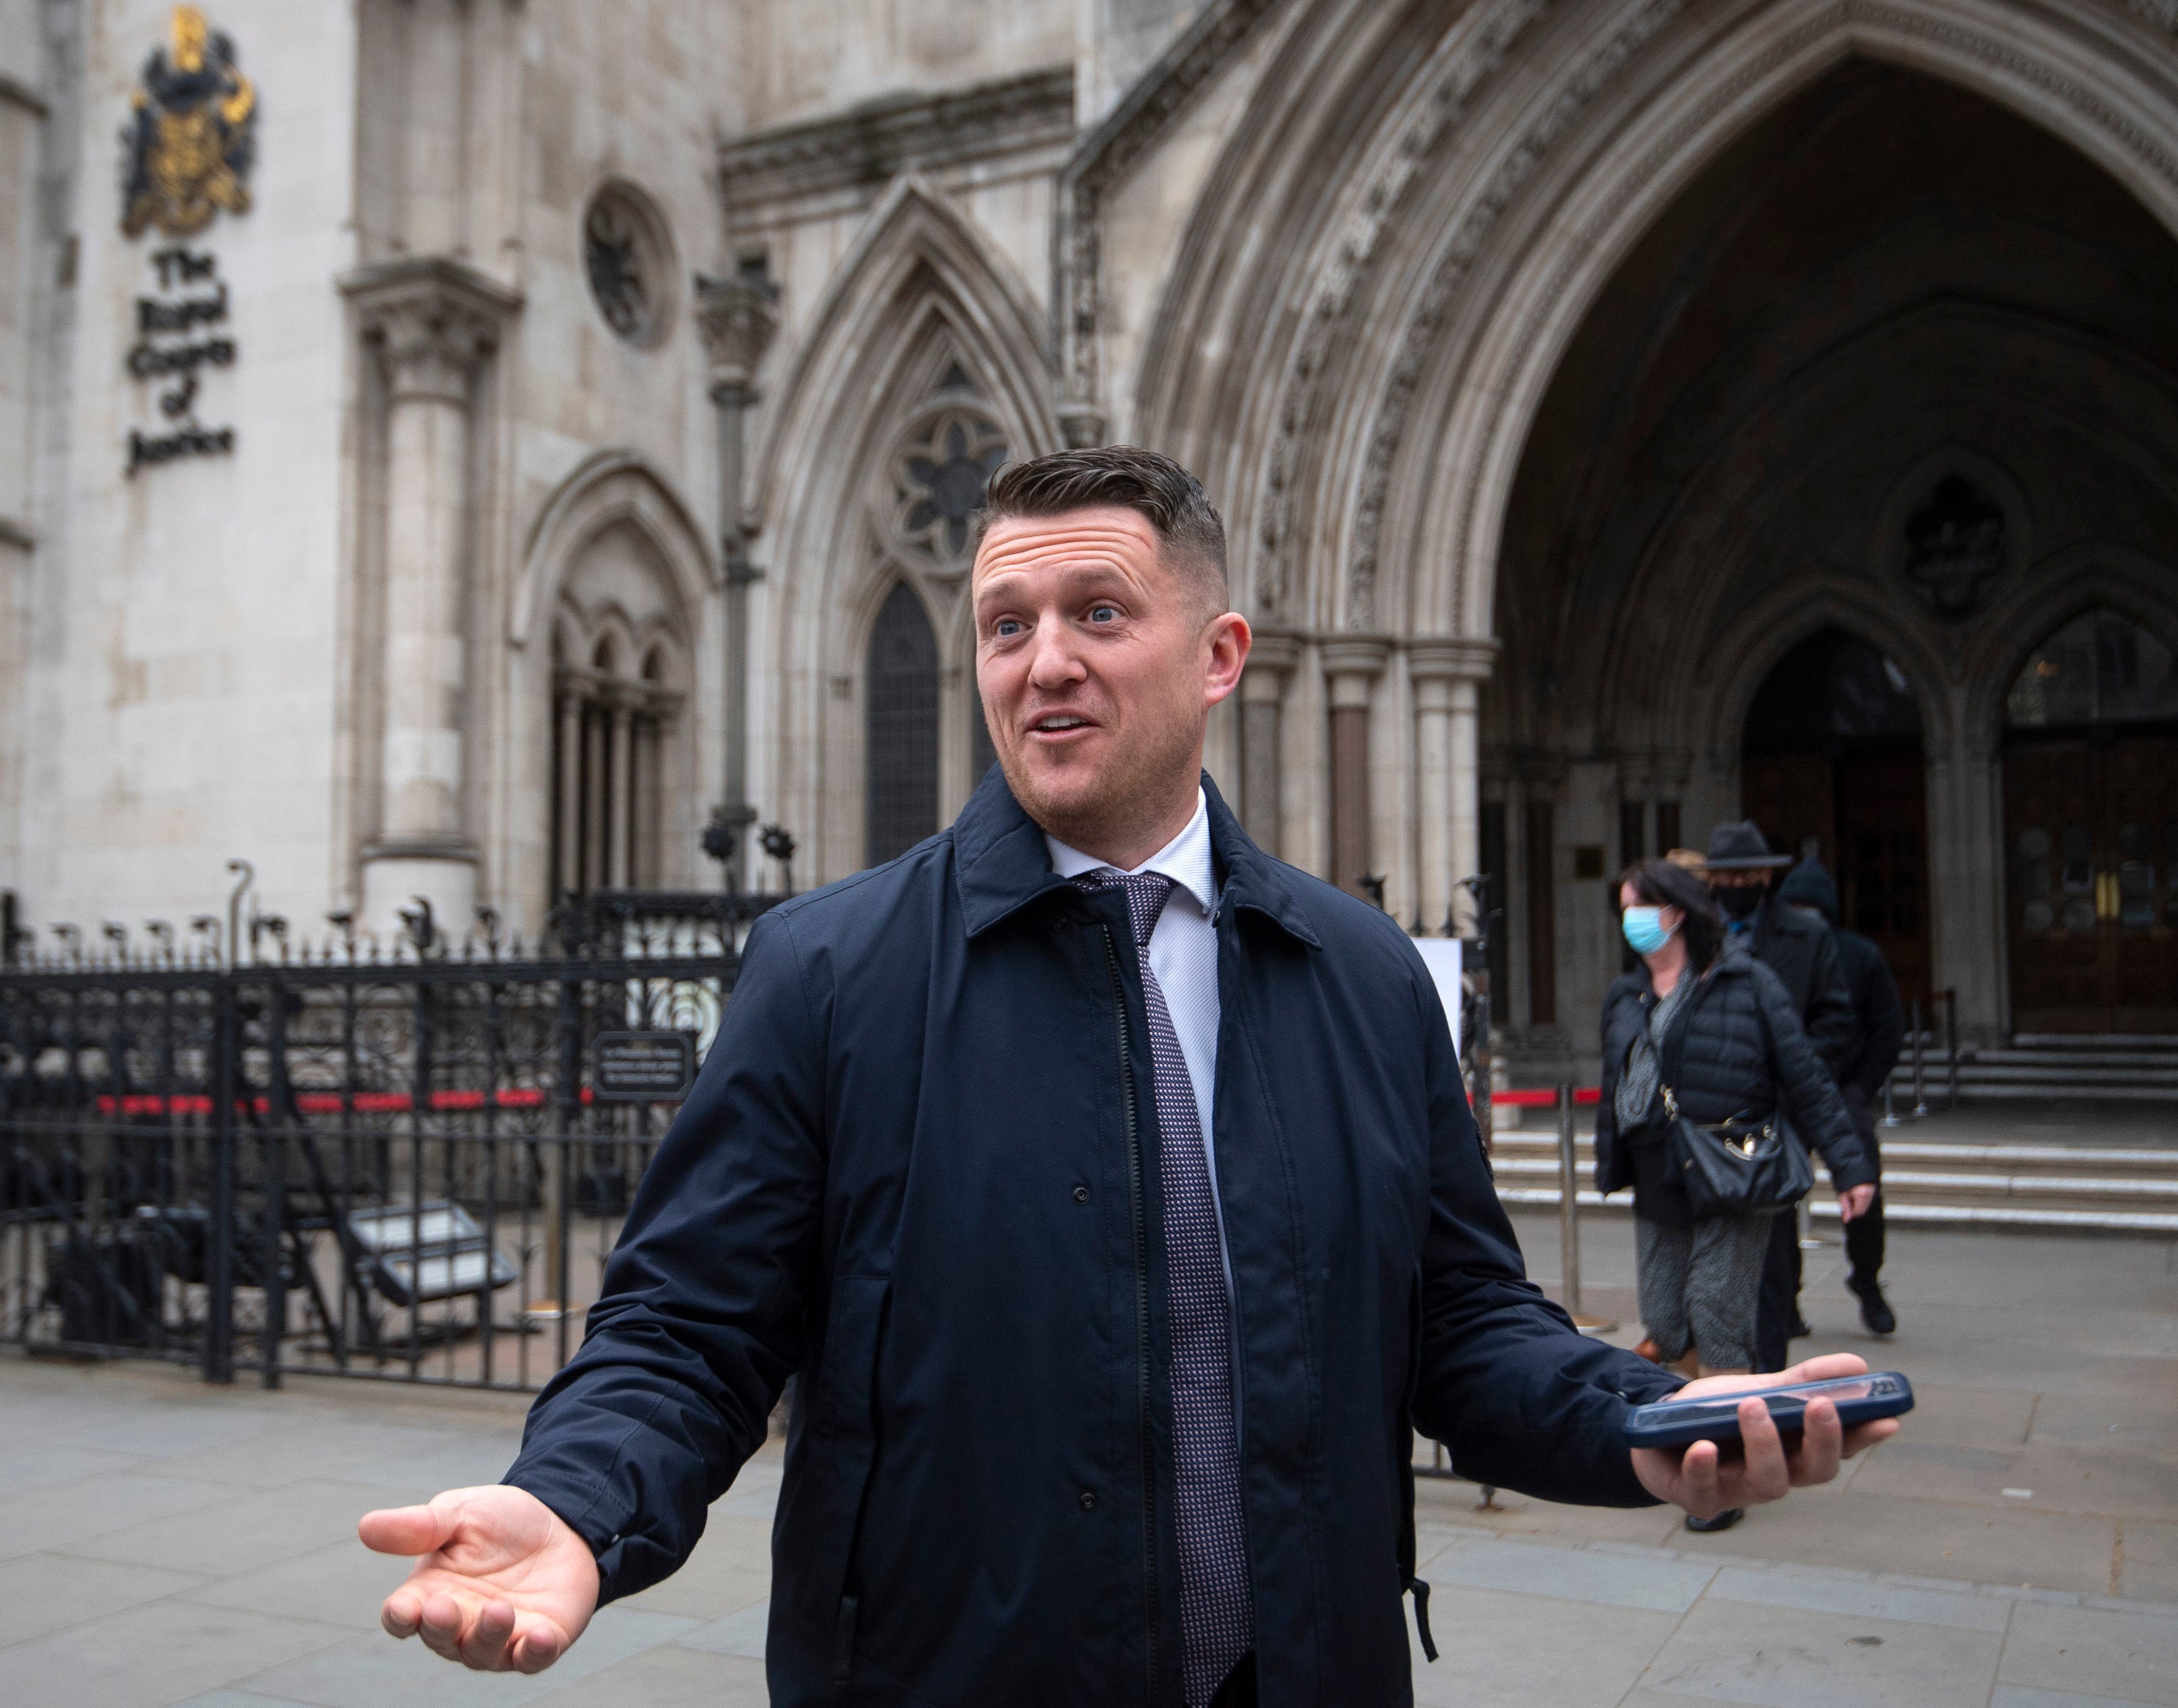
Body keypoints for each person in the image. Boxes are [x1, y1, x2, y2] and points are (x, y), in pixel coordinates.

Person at [359, 448, 1899, 1706]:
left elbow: (1457, 1323)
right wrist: (576, 1498)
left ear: (1219, 655)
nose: (1044, 662)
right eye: (1004, 624)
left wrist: (1650, 1421)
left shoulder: (1359, 974)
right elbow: (686, 1328)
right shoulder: (829, 972)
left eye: (1097, 611)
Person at [1598, 857, 1879, 1536]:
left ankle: (1721, 1470)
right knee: (1665, 1320)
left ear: (1674, 912)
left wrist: (1850, 1168)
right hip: (1660, 1175)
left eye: (1638, 906)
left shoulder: (1745, 981)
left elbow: (1805, 1077)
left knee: (1716, 1312)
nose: (1629, 919)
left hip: (1734, 1173)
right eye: (1624, 907)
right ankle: (1708, 1426)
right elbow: (1619, 1086)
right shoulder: (1625, 994)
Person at [1698, 820, 1858, 1374]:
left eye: (1748, 874)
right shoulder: (1692, 936)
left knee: (1769, 1256)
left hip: (1774, 1120)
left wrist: (1785, 1081)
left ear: (1767, 877)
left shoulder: (1806, 936)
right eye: (1727, 876)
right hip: (1702, 1122)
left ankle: (1765, 1375)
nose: (1737, 884)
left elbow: (1835, 1024)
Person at [1777, 856, 1904, 1334]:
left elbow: (1886, 1029)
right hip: (1788, 1095)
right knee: (1778, 1199)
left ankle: (1867, 1281)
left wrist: (1859, 1088)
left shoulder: (1859, 956)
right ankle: (1785, 1298)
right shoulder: (1775, 953)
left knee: (1863, 1188)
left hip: (1841, 1091)